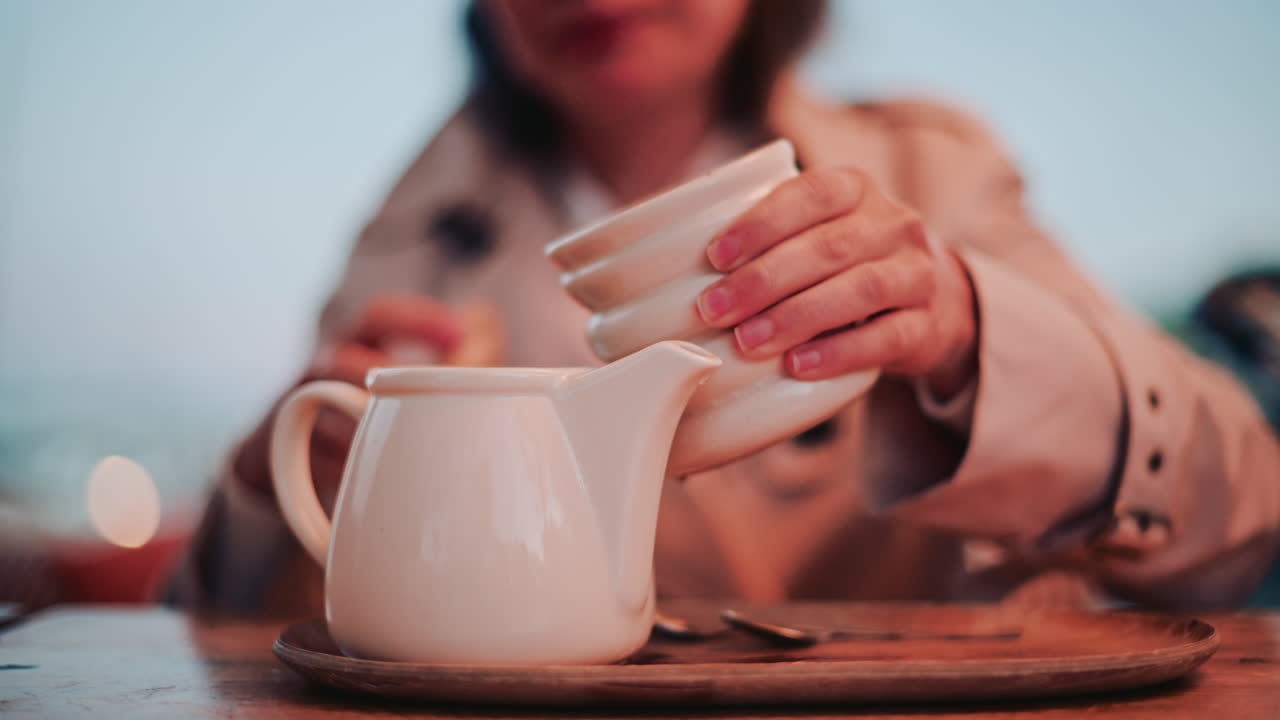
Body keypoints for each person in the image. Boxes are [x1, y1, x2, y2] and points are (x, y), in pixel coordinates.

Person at [169, 0, 1280, 615]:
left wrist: (965, 335)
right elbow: (202, 628)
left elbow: (1239, 524)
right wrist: (304, 476)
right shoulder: (404, 232)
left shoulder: (921, 175)